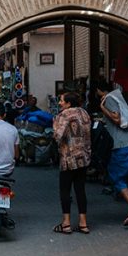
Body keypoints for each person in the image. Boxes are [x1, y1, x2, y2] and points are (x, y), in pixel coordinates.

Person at [97, 79, 128, 227]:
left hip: (121, 145)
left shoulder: (108, 99)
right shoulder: (119, 96)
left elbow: (117, 119)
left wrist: (102, 108)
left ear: (99, 90)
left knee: (117, 177)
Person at [52, 91, 91, 234]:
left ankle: (66, 223)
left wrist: (54, 126)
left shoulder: (65, 114)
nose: (60, 103)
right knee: (80, 189)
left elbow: (58, 136)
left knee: (65, 190)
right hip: (83, 157)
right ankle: (83, 223)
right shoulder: (84, 113)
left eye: (62, 101)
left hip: (68, 158)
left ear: (68, 103)